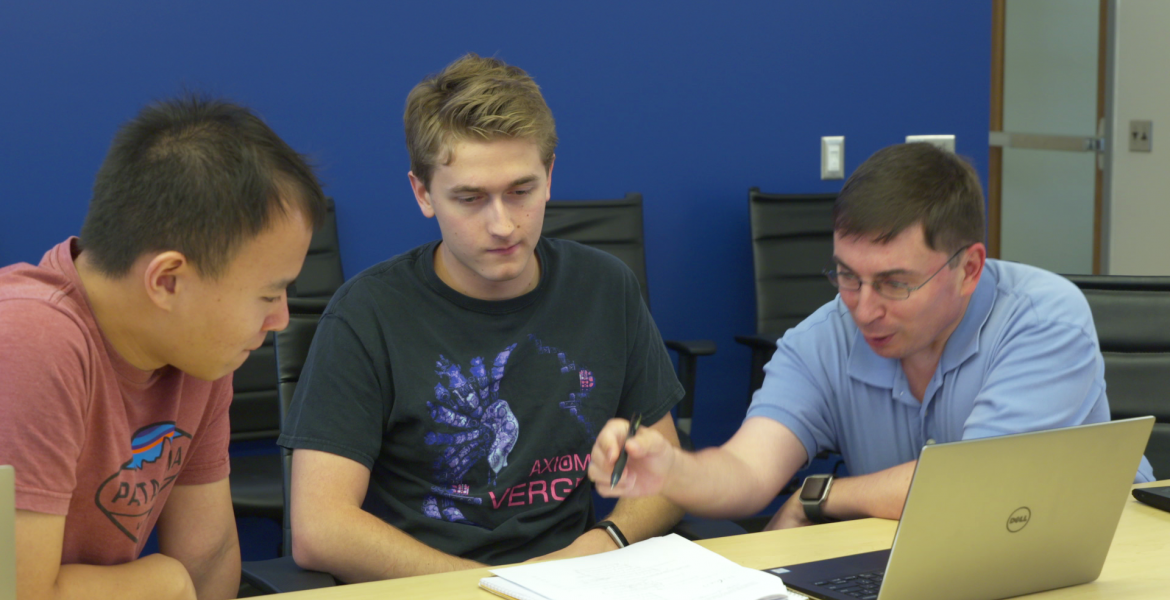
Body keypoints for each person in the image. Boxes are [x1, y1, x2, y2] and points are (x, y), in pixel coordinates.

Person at [589, 142, 1156, 530]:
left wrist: (823, 496)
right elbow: (746, 473)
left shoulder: (1044, 318)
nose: (862, 307)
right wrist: (673, 469)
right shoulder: (822, 338)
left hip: (1098, 554)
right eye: (846, 275)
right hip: (919, 555)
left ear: (969, 268)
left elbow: (977, 489)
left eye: (894, 283)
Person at [279, 53, 685, 582]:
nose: (503, 225)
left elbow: (667, 471)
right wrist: (484, 586)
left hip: (576, 579)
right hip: (429, 588)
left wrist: (602, 543)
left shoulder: (605, 287)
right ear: (422, 194)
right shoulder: (366, 315)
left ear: (550, 176)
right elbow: (320, 528)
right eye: (470, 198)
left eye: (522, 191)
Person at [0, 96, 328, 600]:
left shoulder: (197, 348)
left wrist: (181, 581)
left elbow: (209, 553)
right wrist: (165, 583)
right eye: (267, 294)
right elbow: (19, 593)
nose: (281, 319)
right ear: (168, 281)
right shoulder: (29, 338)